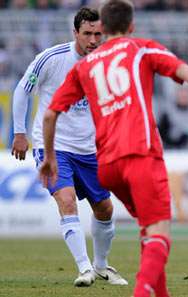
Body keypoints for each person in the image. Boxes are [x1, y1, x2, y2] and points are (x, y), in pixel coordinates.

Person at [38, 0, 188, 296]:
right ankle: (142, 292)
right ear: (131, 26)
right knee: (160, 232)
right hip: (141, 154)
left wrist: (49, 157)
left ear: (102, 28)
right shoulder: (141, 47)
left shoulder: (86, 66)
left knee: (147, 227)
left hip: (107, 166)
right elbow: (182, 70)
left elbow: (49, 114)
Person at [11, 7, 127, 287]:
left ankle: (101, 267)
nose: (92, 40)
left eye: (98, 34)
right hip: (54, 146)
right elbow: (22, 90)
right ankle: (84, 268)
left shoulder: (107, 63)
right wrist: (19, 132)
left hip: (90, 148)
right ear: (75, 32)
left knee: (105, 209)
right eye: (87, 34)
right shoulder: (51, 59)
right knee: (66, 200)